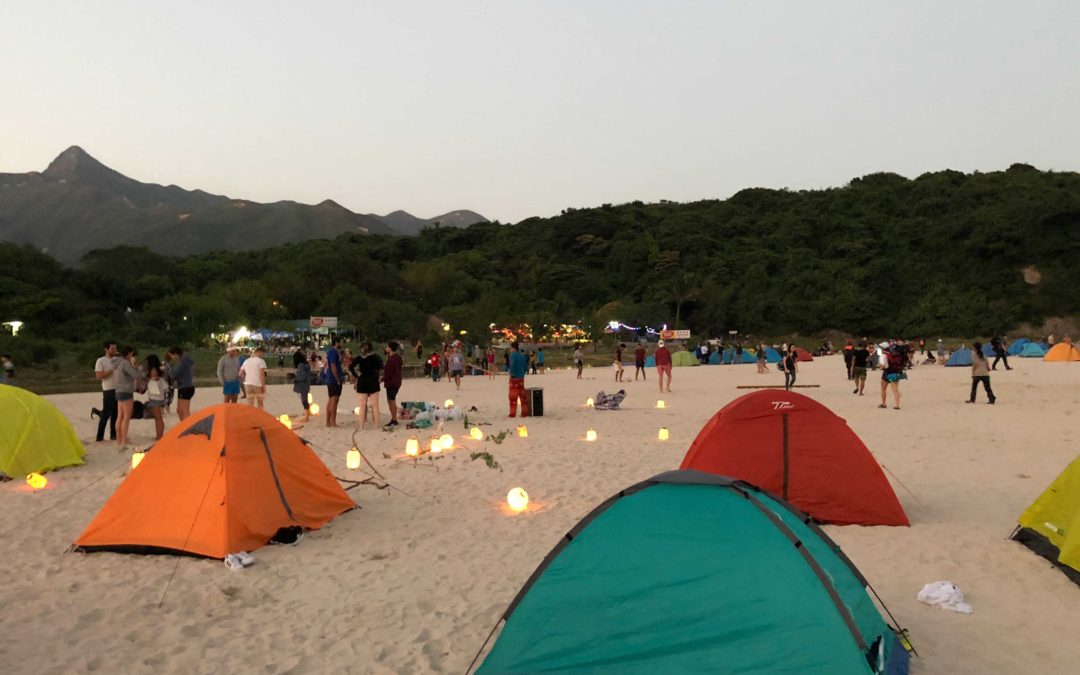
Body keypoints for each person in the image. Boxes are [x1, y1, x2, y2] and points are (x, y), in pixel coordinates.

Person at [113, 346, 144, 447]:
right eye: (132, 353)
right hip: (126, 392)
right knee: (126, 417)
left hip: (118, 391)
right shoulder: (125, 363)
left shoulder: (117, 362)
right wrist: (138, 369)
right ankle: (124, 440)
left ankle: (119, 439)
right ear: (129, 353)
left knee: (120, 416)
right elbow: (135, 376)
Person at [350, 341, 383, 429]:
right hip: (373, 380)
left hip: (362, 380)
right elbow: (381, 367)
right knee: (375, 405)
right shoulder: (375, 357)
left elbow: (351, 367)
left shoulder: (360, 357)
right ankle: (376, 425)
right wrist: (378, 375)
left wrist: (357, 376)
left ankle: (361, 426)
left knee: (362, 405)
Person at [93, 341, 121, 442]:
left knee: (116, 413)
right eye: (112, 348)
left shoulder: (117, 360)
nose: (114, 350)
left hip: (118, 389)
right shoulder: (101, 361)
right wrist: (110, 372)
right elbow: (98, 376)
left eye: (115, 348)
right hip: (108, 390)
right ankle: (100, 436)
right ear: (106, 349)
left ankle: (113, 435)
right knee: (106, 413)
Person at [165, 346, 195, 421]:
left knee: (184, 410)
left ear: (176, 354)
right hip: (185, 387)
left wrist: (167, 369)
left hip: (185, 387)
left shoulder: (184, 361)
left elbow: (174, 374)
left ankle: (187, 427)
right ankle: (183, 426)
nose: (172, 358)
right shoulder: (185, 359)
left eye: (172, 355)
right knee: (180, 410)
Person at [145, 356, 167, 440]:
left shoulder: (153, 371)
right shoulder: (160, 369)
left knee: (158, 418)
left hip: (155, 398)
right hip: (159, 397)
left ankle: (159, 435)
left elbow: (150, 379)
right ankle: (160, 434)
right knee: (159, 418)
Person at [324, 337, 344, 427]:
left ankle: (328, 421)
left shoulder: (335, 352)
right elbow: (333, 366)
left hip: (331, 378)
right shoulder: (332, 352)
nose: (342, 344)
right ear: (337, 343)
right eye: (341, 342)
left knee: (331, 399)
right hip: (333, 379)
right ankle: (332, 421)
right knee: (334, 400)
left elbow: (339, 364)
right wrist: (337, 379)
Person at [383, 341, 403, 427]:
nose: (386, 348)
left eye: (387, 347)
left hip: (392, 383)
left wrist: (382, 379)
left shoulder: (391, 359)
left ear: (390, 348)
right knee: (391, 400)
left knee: (391, 401)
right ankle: (393, 418)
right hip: (397, 381)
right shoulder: (397, 357)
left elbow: (389, 373)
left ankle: (394, 419)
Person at [879, 344, 906, 410]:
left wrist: (879, 366)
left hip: (887, 373)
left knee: (883, 389)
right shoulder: (894, 354)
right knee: (895, 390)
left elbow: (882, 366)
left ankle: (884, 403)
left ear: (882, 348)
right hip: (895, 372)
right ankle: (897, 405)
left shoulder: (883, 355)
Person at [507, 341, 529, 417]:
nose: (510, 349)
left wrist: (512, 373)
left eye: (510, 348)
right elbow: (526, 365)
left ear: (513, 348)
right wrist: (523, 373)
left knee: (513, 397)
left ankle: (512, 413)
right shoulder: (521, 355)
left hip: (514, 378)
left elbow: (512, 364)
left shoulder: (513, 355)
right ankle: (524, 412)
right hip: (521, 378)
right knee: (522, 396)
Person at [293, 348, 312, 423]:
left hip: (302, 385)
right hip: (306, 384)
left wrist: (295, 379)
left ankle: (307, 416)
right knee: (305, 400)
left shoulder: (300, 365)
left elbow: (302, 376)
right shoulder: (306, 365)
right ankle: (307, 414)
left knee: (304, 400)